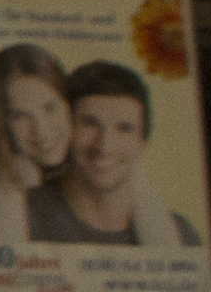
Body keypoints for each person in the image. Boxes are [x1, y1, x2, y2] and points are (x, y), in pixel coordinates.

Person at [49, 60, 199, 247]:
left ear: (143, 142)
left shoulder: (180, 236)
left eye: (124, 128)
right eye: (90, 123)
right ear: (65, 129)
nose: (105, 146)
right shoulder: (21, 215)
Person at [0, 40, 74, 238]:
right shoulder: (4, 195)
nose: (41, 131)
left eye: (50, 108)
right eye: (20, 116)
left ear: (68, 104)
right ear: (3, 123)